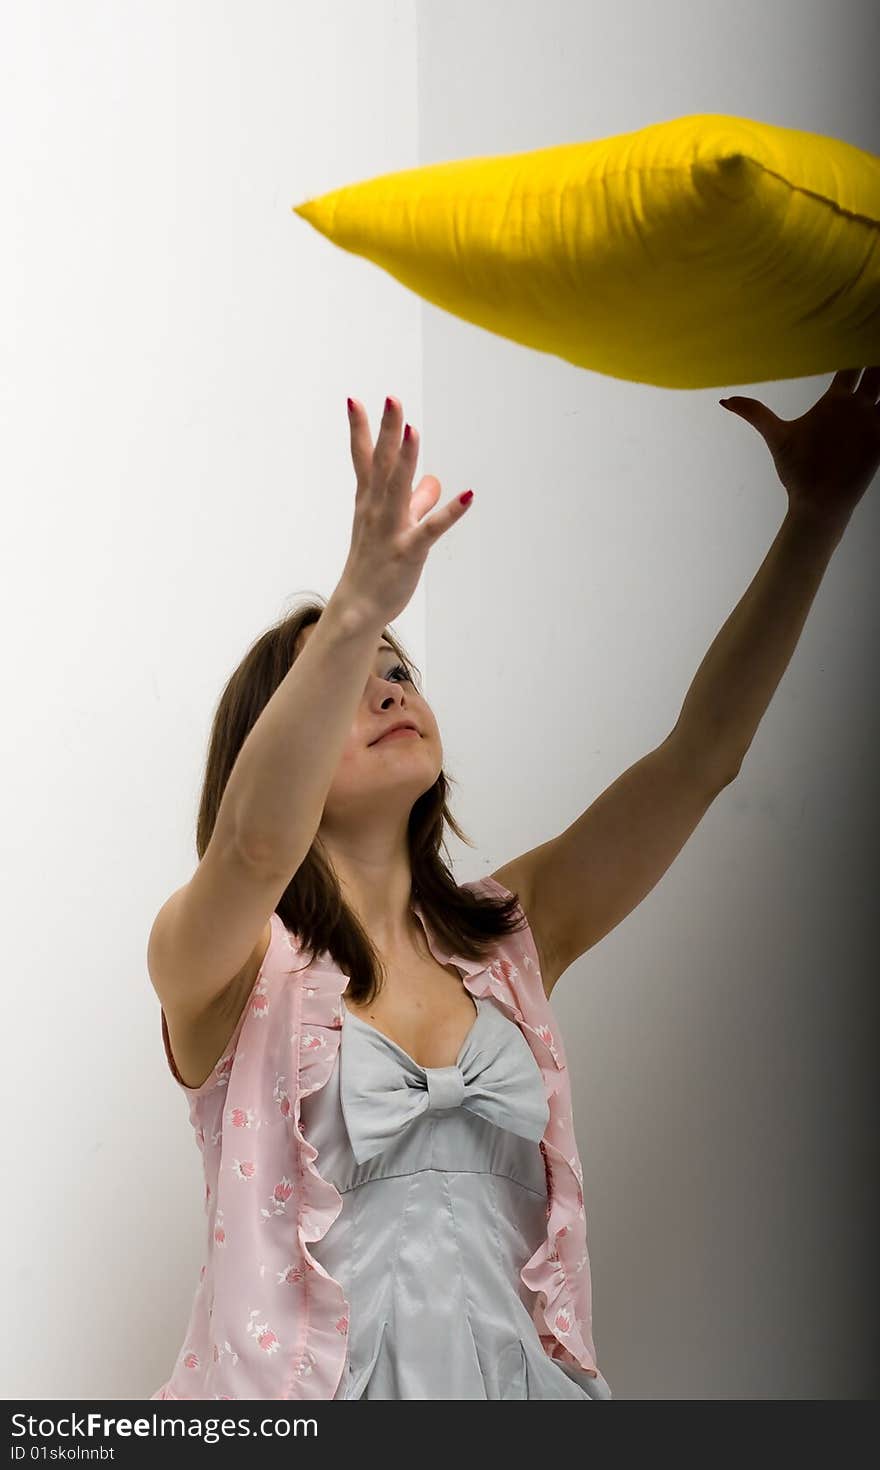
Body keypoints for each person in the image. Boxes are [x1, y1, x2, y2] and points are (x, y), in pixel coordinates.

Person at [149, 373, 879, 1400]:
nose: (390, 687)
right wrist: (356, 606)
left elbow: (700, 758)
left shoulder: (508, 934)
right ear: (272, 752)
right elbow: (251, 853)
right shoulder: (218, 962)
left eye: (395, 667)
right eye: (346, 681)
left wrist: (815, 517)